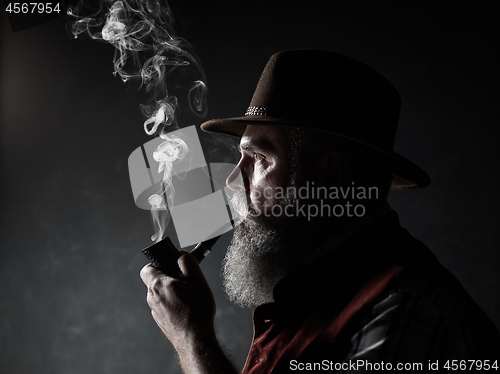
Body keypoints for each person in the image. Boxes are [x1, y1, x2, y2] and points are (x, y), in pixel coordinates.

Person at [140, 50, 500, 373]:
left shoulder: (405, 308)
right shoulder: (311, 301)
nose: (235, 180)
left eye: (260, 158)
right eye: (241, 158)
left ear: (330, 175)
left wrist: (192, 339)